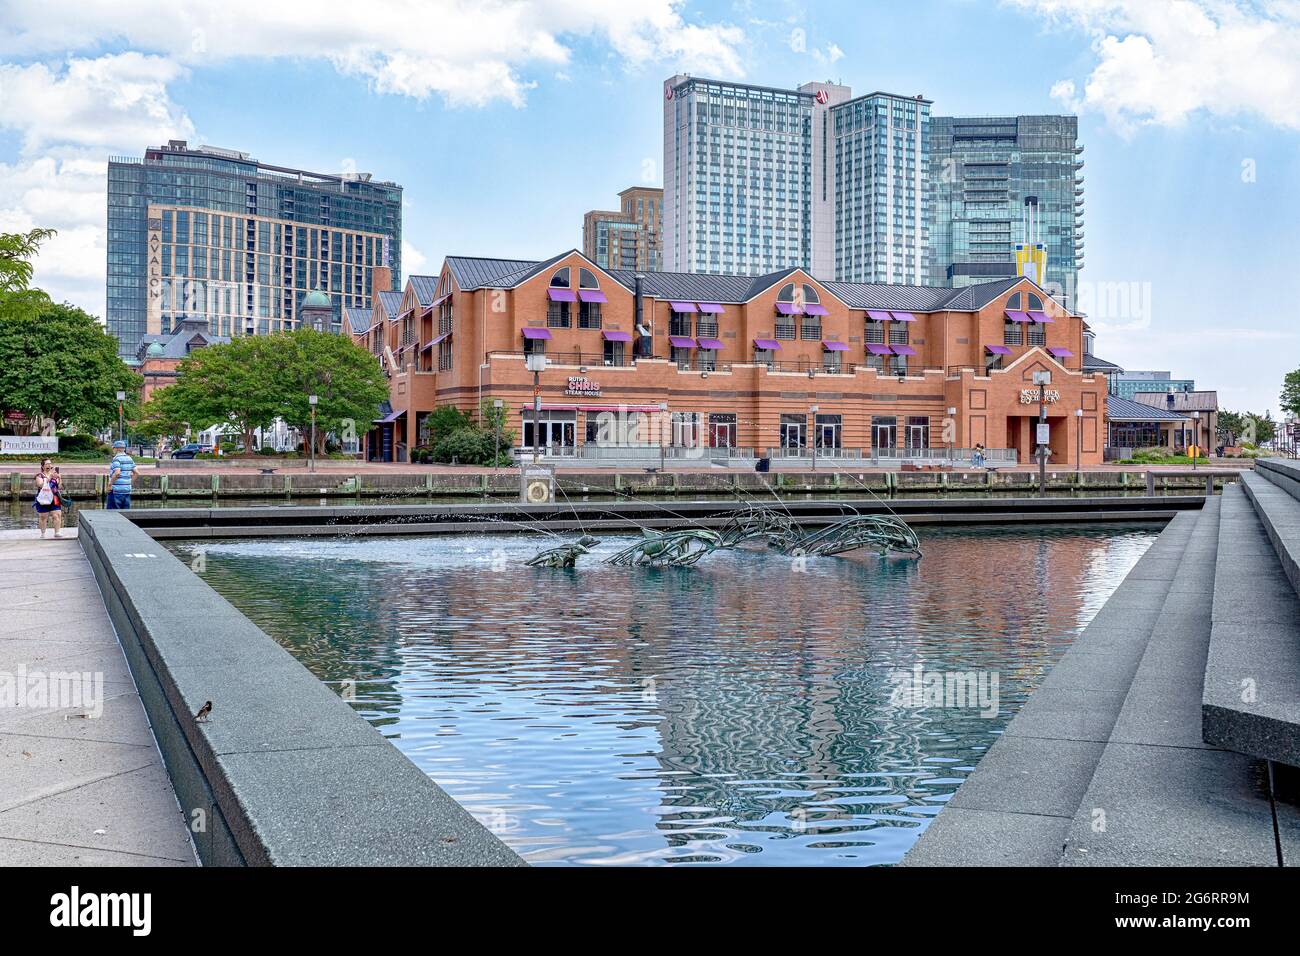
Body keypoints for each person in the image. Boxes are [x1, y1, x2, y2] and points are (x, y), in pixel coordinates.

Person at [33, 458, 64, 538]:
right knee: (43, 517)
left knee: (56, 515)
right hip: (43, 498)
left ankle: (57, 532)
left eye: (50, 463)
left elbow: (60, 487)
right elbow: (40, 485)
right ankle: (43, 533)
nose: (49, 465)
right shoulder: (39, 476)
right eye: (47, 464)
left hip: (54, 497)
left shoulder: (55, 475)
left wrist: (59, 478)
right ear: (43, 466)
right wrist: (49, 478)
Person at [107, 439, 136, 510]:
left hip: (116, 490)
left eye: (113, 448)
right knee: (126, 514)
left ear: (116, 449)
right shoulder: (129, 458)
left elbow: (117, 473)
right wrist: (129, 483)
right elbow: (136, 473)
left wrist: (110, 485)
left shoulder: (116, 459)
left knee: (113, 514)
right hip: (127, 490)